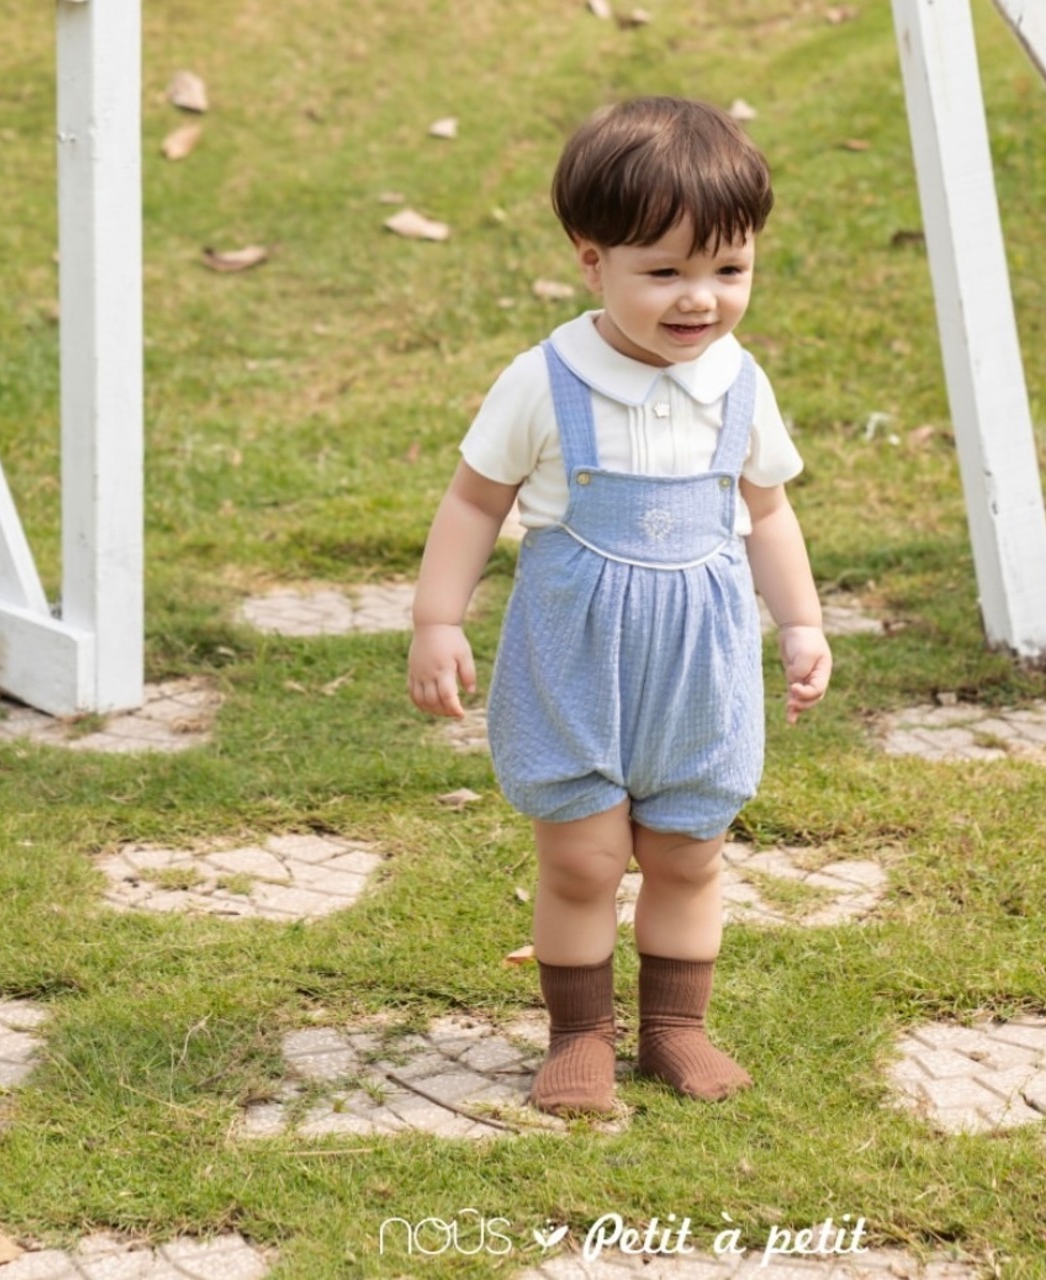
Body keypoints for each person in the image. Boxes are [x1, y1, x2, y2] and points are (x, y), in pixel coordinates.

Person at [407, 96, 831, 1116]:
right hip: (575, 659)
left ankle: (676, 1028)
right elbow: (474, 501)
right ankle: (579, 1038)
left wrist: (801, 622)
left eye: (729, 269)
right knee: (584, 858)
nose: (700, 299)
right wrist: (436, 620)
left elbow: (766, 512)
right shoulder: (545, 381)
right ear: (591, 261)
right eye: (665, 272)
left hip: (699, 664)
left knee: (689, 849)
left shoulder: (739, 384)